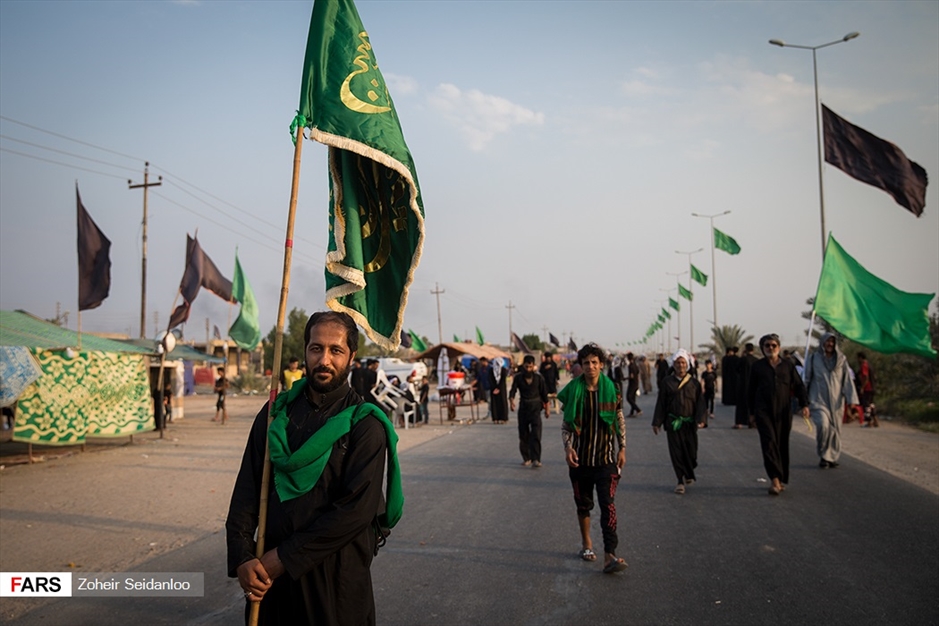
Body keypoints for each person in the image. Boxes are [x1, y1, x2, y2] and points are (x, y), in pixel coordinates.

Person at [226, 311, 402, 626]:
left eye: (336, 350)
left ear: (351, 357)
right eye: (316, 348)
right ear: (305, 351)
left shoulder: (365, 425)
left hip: (335, 583)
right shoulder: (274, 415)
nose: (324, 359)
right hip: (272, 584)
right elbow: (247, 490)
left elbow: (355, 511)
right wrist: (242, 555)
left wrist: (282, 558)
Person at [558, 343, 628, 574]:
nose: (590, 366)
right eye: (586, 362)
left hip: (606, 459)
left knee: (608, 505)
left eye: (594, 362)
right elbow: (567, 425)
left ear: (601, 364)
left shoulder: (612, 389)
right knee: (584, 504)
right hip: (580, 460)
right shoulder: (573, 390)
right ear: (581, 365)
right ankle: (587, 543)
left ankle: (610, 554)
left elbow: (618, 418)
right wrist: (568, 448)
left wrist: (622, 447)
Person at [748, 333, 809, 496]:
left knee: (781, 444)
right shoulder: (757, 367)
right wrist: (751, 413)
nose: (770, 348)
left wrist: (804, 404)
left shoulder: (788, 366)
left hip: (783, 411)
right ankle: (774, 479)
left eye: (773, 345)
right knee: (769, 444)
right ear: (762, 348)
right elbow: (750, 391)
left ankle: (781, 478)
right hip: (763, 411)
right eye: (767, 345)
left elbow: (798, 386)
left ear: (779, 347)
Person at [652, 349, 705, 494]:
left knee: (691, 453)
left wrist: (701, 419)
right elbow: (661, 403)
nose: (680, 365)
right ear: (673, 365)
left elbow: (700, 403)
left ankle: (689, 471)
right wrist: (657, 422)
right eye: (677, 363)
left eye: (683, 363)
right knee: (676, 452)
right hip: (673, 423)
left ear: (687, 364)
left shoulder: (694, 383)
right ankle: (680, 480)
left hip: (689, 424)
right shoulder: (667, 382)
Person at [804, 333, 859, 469]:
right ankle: (824, 454)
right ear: (822, 343)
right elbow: (806, 379)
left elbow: (847, 380)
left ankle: (831, 457)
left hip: (836, 402)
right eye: (827, 341)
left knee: (835, 430)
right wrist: (803, 400)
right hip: (818, 400)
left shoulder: (841, 360)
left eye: (832, 342)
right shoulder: (813, 359)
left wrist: (852, 400)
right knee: (823, 426)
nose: (829, 344)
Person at [509, 354, 551, 467]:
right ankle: (526, 458)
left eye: (530, 367)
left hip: (535, 408)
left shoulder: (538, 378)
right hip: (523, 407)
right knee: (523, 434)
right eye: (526, 367)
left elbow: (544, 395)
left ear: (534, 366)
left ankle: (536, 459)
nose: (528, 369)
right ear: (523, 366)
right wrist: (511, 401)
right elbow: (513, 391)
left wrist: (547, 409)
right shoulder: (518, 378)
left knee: (536, 434)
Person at [734, 344, 758, 429]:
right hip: (754, 385)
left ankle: (739, 422)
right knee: (753, 404)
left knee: (741, 404)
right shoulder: (756, 360)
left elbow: (736, 370)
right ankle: (752, 422)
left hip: (743, 384)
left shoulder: (742, 360)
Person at [856, 353, 879, 428]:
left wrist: (862, 387)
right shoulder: (869, 365)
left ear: (860, 358)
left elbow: (866, 377)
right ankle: (875, 421)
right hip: (872, 387)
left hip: (868, 388)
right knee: (871, 404)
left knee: (866, 405)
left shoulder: (864, 365)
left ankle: (869, 422)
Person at [488, 358, 509, 424]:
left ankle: (504, 418)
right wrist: (494, 388)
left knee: (502, 402)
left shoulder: (503, 370)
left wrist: (498, 388)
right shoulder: (491, 370)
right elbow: (490, 379)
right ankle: (495, 418)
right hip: (493, 389)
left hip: (502, 389)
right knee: (494, 404)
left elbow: (503, 380)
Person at [625, 352, 642, 417]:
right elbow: (637, 374)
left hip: (632, 384)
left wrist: (625, 378)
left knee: (628, 397)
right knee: (633, 398)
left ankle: (638, 409)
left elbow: (631, 376)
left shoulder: (630, 366)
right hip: (636, 383)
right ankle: (632, 412)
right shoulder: (635, 365)